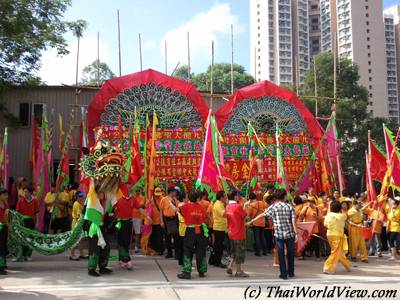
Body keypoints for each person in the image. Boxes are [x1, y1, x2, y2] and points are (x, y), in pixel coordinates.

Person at [250, 189, 297, 280]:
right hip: (289, 234)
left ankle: (283, 274)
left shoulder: (273, 207)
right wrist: (296, 233)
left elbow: (263, 214)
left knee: (281, 254)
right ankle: (291, 272)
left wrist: (252, 220)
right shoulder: (289, 207)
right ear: (284, 196)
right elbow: (293, 221)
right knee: (290, 253)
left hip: (278, 234)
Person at [113, 192, 152, 270]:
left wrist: (147, 216)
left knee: (127, 241)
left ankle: (122, 260)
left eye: (129, 187)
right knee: (122, 241)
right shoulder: (117, 197)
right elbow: (111, 208)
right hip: (120, 222)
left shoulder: (133, 199)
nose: (127, 189)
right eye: (126, 187)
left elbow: (139, 208)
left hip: (129, 222)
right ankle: (127, 260)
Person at [177, 189, 208, 279]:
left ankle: (187, 272)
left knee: (187, 249)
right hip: (200, 230)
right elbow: (204, 217)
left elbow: (178, 210)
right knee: (201, 249)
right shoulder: (202, 207)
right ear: (198, 198)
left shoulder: (186, 206)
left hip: (190, 230)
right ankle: (201, 271)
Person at [85, 188, 112, 277]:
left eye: (103, 193)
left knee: (105, 247)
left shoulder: (105, 204)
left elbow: (107, 217)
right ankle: (91, 269)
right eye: (100, 193)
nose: (102, 194)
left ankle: (102, 267)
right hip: (94, 228)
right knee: (94, 248)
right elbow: (92, 187)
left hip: (102, 227)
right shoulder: (92, 201)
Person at [226, 190, 250, 278]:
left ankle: (230, 266)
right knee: (239, 252)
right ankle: (239, 271)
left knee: (233, 251)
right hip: (239, 232)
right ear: (235, 196)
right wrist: (245, 206)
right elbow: (245, 217)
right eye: (238, 196)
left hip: (231, 231)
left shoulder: (228, 206)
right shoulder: (237, 207)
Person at [323, 200, 351, 274]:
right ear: (339, 208)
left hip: (329, 235)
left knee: (337, 252)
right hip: (338, 236)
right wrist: (344, 209)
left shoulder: (328, 215)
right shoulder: (341, 216)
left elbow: (325, 225)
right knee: (335, 252)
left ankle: (347, 264)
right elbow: (347, 216)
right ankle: (328, 268)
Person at [15, 184, 39, 261]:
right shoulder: (20, 201)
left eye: (26, 192)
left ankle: (28, 254)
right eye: (24, 192)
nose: (25, 193)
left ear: (31, 192)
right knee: (21, 238)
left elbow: (37, 212)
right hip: (22, 221)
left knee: (30, 238)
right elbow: (17, 212)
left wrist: (37, 222)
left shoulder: (35, 200)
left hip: (31, 221)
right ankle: (20, 254)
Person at [209, 191, 228, 268]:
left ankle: (212, 260)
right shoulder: (219, 204)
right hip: (219, 227)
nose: (226, 198)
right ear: (221, 197)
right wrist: (228, 206)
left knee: (217, 245)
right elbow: (224, 214)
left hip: (220, 226)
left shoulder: (218, 203)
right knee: (219, 246)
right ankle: (217, 262)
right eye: (225, 196)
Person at [160, 187, 179, 259]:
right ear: (171, 192)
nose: (176, 193)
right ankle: (169, 253)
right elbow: (161, 211)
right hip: (166, 220)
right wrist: (161, 221)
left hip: (174, 219)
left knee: (176, 237)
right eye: (175, 191)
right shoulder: (164, 199)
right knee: (167, 237)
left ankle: (177, 253)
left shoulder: (175, 199)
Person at [247, 192, 267, 256]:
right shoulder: (262, 203)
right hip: (263, 222)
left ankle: (258, 252)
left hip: (255, 222)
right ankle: (264, 252)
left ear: (250, 199)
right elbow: (266, 210)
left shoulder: (251, 205)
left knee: (257, 237)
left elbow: (249, 215)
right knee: (263, 237)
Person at [70, 191, 87, 261]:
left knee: (81, 240)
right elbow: (79, 215)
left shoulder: (80, 204)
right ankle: (72, 255)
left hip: (80, 223)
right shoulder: (76, 204)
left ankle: (81, 253)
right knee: (75, 240)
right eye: (80, 196)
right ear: (77, 197)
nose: (81, 198)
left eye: (82, 196)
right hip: (76, 223)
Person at [149, 187, 164, 255]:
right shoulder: (152, 199)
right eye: (156, 194)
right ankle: (155, 249)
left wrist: (162, 221)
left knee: (160, 236)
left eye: (159, 194)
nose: (157, 196)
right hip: (152, 221)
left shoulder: (163, 199)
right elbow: (148, 208)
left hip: (160, 221)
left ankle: (161, 250)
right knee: (154, 236)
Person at [132, 188, 145, 253]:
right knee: (130, 233)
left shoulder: (142, 198)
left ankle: (136, 247)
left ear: (140, 191)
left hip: (138, 217)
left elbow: (141, 205)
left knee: (137, 233)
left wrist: (134, 205)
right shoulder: (132, 197)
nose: (137, 192)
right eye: (136, 190)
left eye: (138, 190)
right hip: (131, 217)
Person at [0, 189, 9, 275]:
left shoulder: (6, 204)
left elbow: (6, 217)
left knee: (3, 246)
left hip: (4, 228)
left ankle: (2, 265)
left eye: (7, 195)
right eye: (5, 195)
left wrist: (8, 226)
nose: (6, 196)